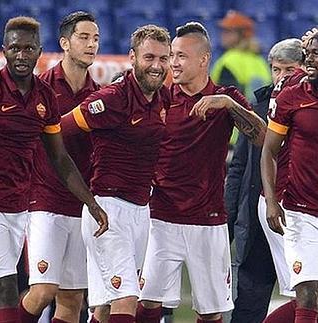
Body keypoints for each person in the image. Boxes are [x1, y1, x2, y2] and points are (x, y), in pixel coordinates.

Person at [0, 16, 108, 323]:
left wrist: (90, 201)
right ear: (4, 50)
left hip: (17, 204)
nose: (21, 55)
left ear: (38, 51)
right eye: (15, 48)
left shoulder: (45, 97)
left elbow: (60, 158)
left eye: (28, 49)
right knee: (8, 286)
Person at [136, 22, 266, 323]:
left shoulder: (224, 98)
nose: (173, 63)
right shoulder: (161, 99)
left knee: (210, 312)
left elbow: (262, 138)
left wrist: (230, 104)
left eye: (180, 56)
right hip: (161, 218)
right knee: (148, 303)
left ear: (203, 59)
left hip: (208, 221)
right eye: (172, 56)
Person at [61, 24, 171, 323]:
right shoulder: (112, 98)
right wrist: (85, 194)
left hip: (140, 211)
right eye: (149, 58)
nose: (157, 66)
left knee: (105, 309)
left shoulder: (163, 99)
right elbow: (57, 133)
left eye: (164, 59)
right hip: (107, 211)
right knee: (127, 300)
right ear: (132, 57)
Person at [19, 11, 100, 323]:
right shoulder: (39, 89)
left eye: (95, 39)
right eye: (83, 37)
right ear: (65, 43)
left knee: (72, 300)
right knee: (42, 292)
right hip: (44, 202)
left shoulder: (99, 96)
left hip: (80, 207)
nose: (91, 44)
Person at [225, 38, 305, 323]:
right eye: (276, 69)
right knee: (248, 305)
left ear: (306, 69)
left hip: (296, 215)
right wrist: (229, 223)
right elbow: (239, 168)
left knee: (305, 296)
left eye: (289, 70)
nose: (281, 77)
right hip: (257, 219)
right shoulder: (259, 106)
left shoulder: (309, 109)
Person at [261, 31, 318, 323]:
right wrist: (272, 201)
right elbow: (269, 151)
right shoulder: (290, 97)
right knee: (307, 292)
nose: (312, 61)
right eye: (309, 54)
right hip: (300, 211)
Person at [211, 10, 271, 102]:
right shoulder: (260, 60)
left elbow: (225, 98)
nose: (222, 35)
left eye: (228, 31)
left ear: (240, 35)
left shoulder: (229, 60)